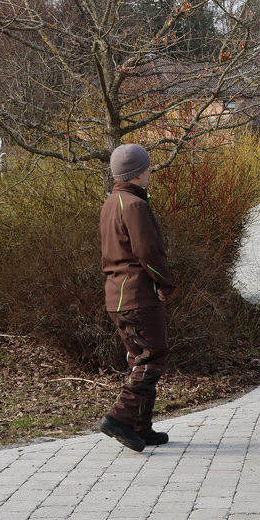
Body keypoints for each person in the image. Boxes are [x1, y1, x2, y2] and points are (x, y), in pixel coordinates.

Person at [98, 144, 176, 453]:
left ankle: (140, 427)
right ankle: (119, 418)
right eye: (148, 168)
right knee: (153, 357)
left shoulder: (110, 202)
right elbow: (147, 252)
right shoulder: (134, 205)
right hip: (139, 294)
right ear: (139, 173)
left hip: (116, 297)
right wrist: (164, 283)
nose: (150, 172)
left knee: (138, 360)